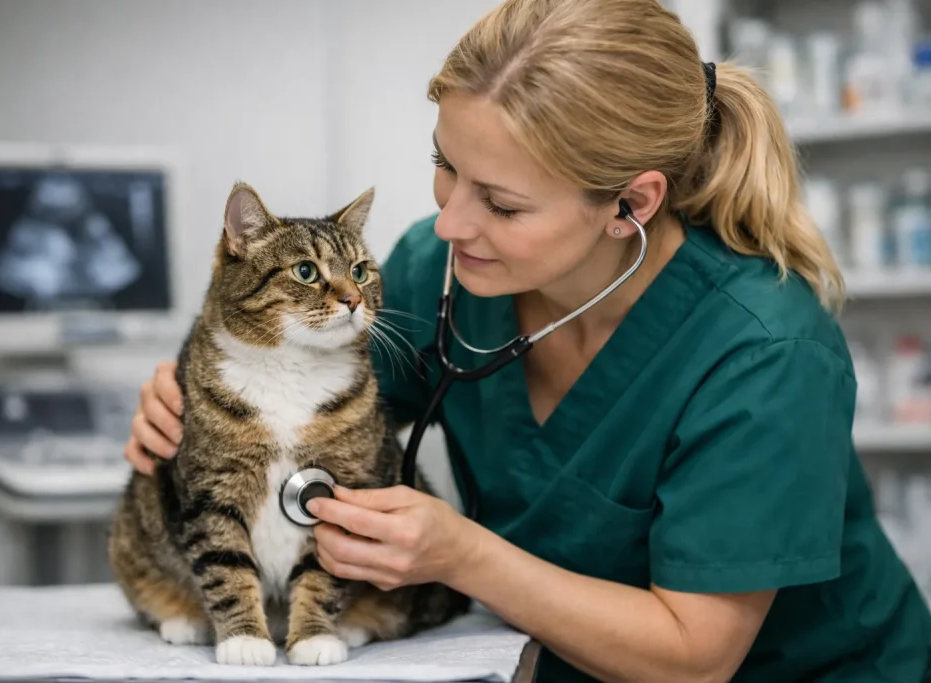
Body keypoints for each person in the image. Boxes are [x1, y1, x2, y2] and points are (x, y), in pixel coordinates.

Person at [123, 0, 931, 680]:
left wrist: (460, 555)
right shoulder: (437, 270)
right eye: (444, 165)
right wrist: (202, 394)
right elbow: (318, 408)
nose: (449, 220)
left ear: (631, 205)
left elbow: (696, 655)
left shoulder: (765, 352)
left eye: (501, 204)